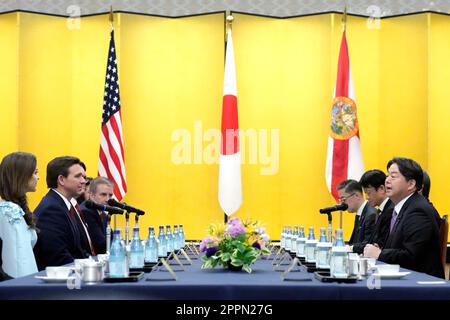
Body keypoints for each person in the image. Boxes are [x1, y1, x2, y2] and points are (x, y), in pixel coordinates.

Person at [364, 157, 443, 278]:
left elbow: (411, 255)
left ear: (411, 184)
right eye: (387, 175)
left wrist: (380, 254)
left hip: (420, 285)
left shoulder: (418, 210)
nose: (387, 180)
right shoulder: (403, 208)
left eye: (393, 176)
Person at [33, 156, 93, 270]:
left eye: (84, 177)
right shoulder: (51, 209)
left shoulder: (64, 205)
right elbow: (58, 257)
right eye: (78, 176)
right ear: (61, 180)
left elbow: (77, 249)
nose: (83, 181)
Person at [0, 152, 39, 279]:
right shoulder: (10, 210)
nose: (38, 177)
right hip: (18, 283)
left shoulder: (14, 208)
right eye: (35, 172)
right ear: (22, 175)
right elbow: (17, 258)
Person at [337, 179, 377, 254]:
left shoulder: (371, 215)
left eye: (343, 199)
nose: (342, 204)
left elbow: (367, 245)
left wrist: (348, 248)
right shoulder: (360, 214)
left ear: (357, 195)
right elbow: (355, 242)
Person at [359, 169, 394, 248]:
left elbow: (380, 244)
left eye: (369, 193)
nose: (367, 198)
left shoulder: (391, 210)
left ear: (382, 189)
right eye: (365, 194)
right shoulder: (381, 210)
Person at [81, 177, 114, 254]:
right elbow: (100, 245)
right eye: (103, 194)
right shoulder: (87, 211)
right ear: (92, 195)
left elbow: (112, 237)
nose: (107, 199)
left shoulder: (101, 212)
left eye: (110, 195)